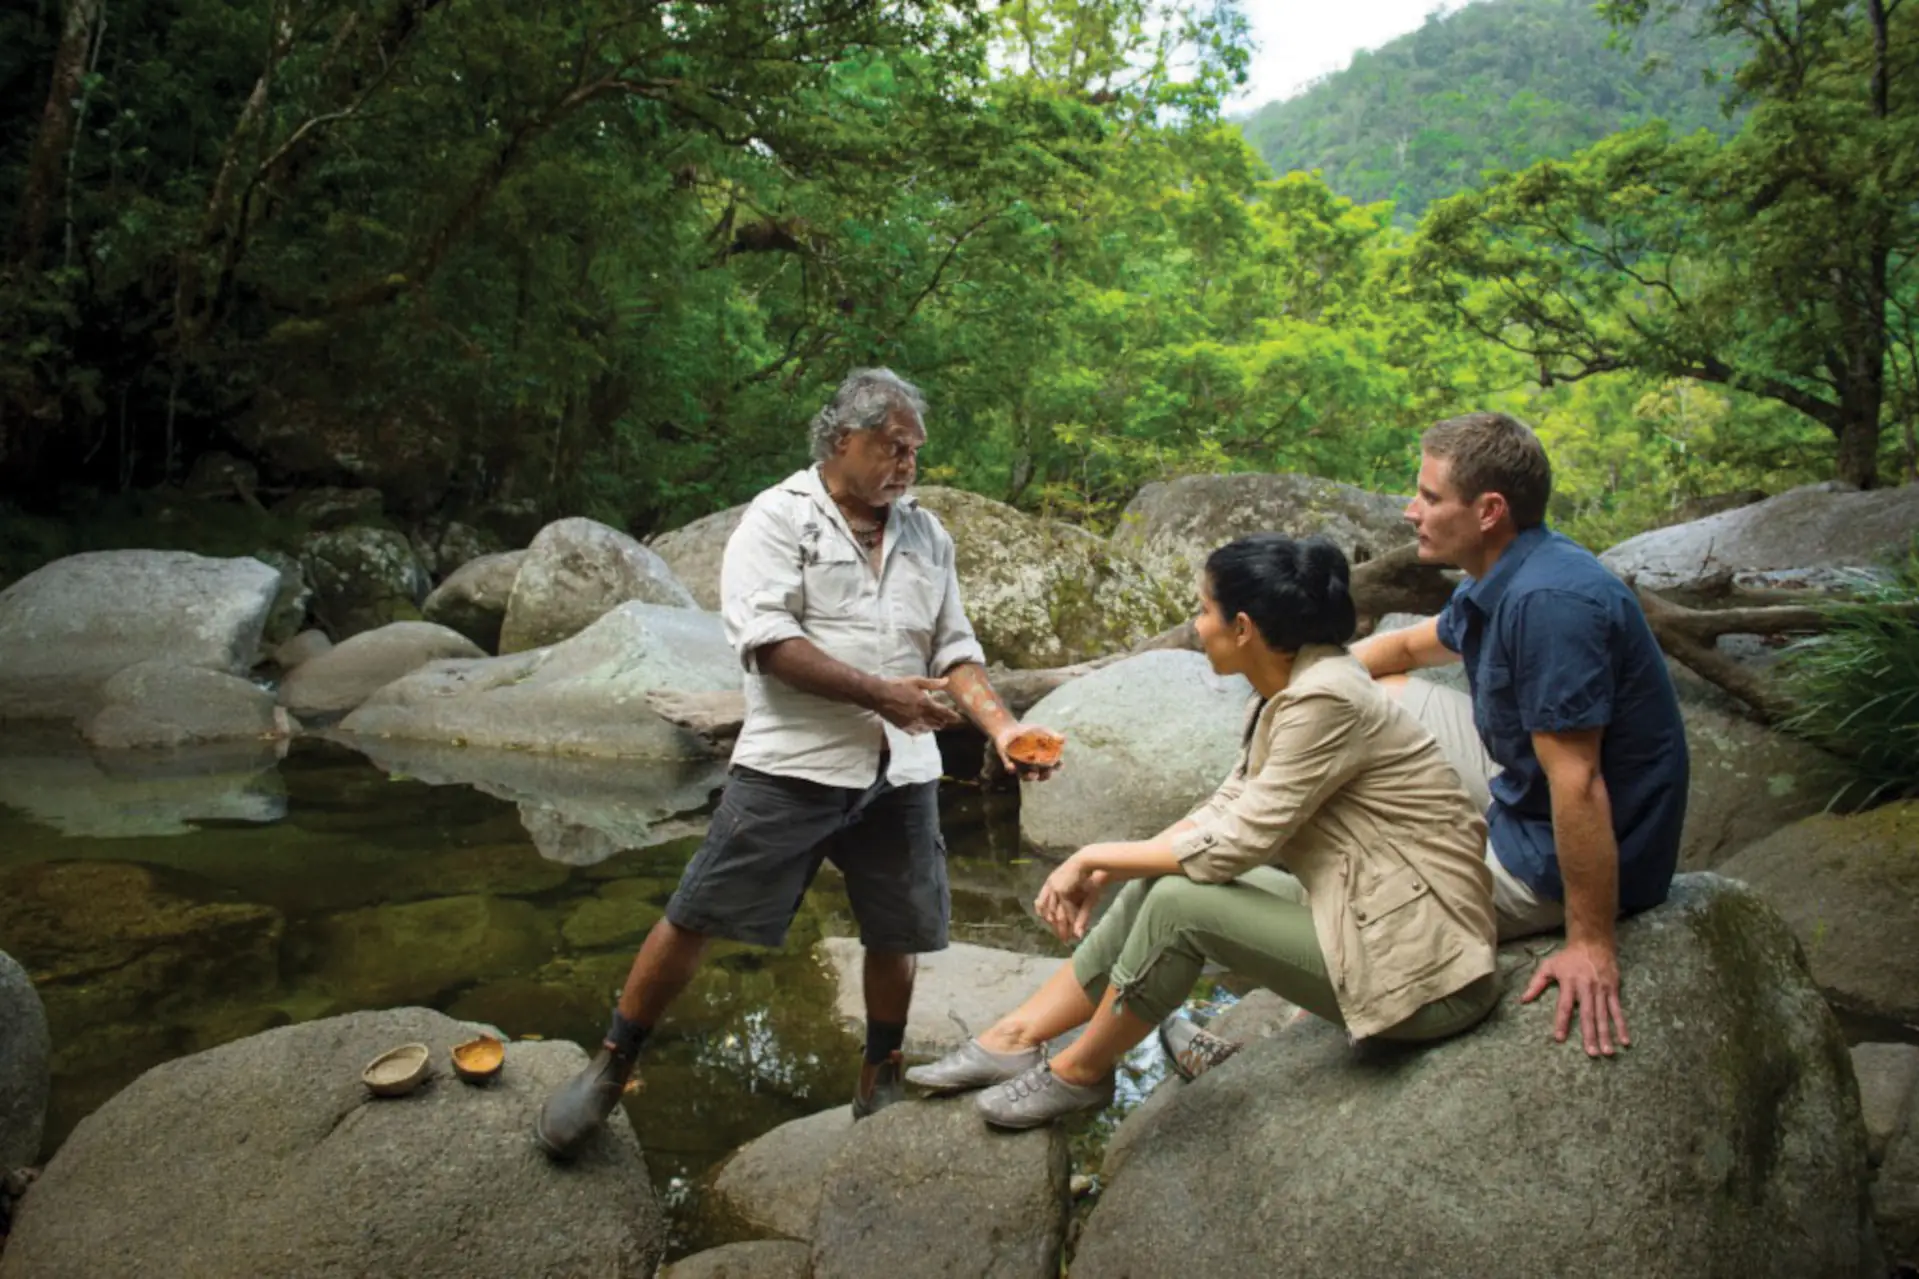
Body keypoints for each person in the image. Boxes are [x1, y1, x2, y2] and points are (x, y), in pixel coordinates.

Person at [535, 368, 1060, 1158]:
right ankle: (611, 1065)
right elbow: (769, 642)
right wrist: (881, 695)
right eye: (894, 446)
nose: (908, 463)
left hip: (901, 770)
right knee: (695, 912)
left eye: (914, 450)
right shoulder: (777, 519)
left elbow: (954, 647)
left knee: (896, 929)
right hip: (793, 762)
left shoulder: (927, 535)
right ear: (841, 439)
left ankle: (878, 1074)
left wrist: (1004, 728)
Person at [905, 534, 1500, 1129]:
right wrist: (1116, 862)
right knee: (1152, 886)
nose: (1196, 625)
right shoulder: (1295, 686)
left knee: (1180, 906)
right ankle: (1014, 1036)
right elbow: (1232, 804)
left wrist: (1092, 855)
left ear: (1242, 628)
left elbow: (1236, 844)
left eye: (1204, 609)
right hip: (1367, 915)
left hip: (1424, 976)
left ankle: (1081, 1073)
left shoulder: (1326, 700)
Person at [1351, 411, 1689, 1061]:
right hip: (1525, 786)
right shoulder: (1503, 572)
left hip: (1559, 851)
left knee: (1364, 904)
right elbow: (1406, 647)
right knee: (1364, 695)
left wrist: (1589, 943)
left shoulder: (1548, 603)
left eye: (1428, 497)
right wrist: (1299, 682)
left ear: (1488, 511)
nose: (1409, 510)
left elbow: (1579, 782)